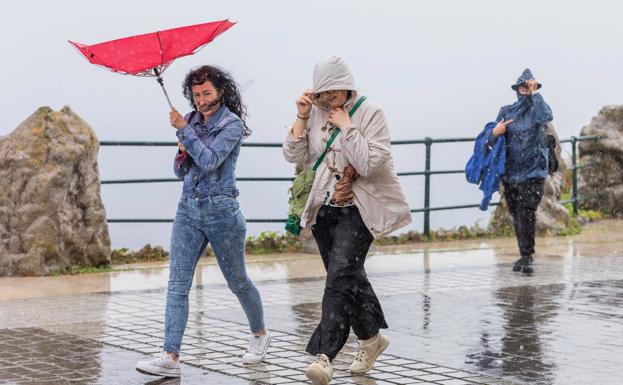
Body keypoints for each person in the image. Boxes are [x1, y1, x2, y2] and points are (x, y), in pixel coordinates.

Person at [282, 56, 411, 385]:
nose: (327, 101)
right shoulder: (316, 113)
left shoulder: (371, 113)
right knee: (350, 277)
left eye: (332, 94)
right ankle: (371, 340)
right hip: (327, 205)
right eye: (321, 95)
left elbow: (369, 163)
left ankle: (325, 357)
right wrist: (301, 115)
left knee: (339, 278)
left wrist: (348, 128)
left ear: (346, 87)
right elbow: (296, 157)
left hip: (362, 207)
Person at [136, 65, 270, 378]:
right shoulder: (192, 119)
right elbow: (181, 172)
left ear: (221, 91)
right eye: (196, 94)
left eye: (206, 93)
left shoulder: (231, 124)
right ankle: (170, 356)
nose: (200, 100)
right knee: (177, 283)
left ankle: (260, 334)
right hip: (187, 209)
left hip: (222, 210)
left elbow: (210, 161)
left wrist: (185, 132)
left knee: (237, 281)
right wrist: (182, 150)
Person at [490, 68, 553, 274]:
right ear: (516, 89)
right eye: (523, 86)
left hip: (534, 173)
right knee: (517, 213)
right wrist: (494, 132)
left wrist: (536, 94)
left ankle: (527, 255)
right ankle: (523, 254)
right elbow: (491, 141)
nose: (525, 89)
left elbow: (547, 116)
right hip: (511, 173)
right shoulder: (506, 111)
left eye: (530, 86)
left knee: (527, 211)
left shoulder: (538, 110)